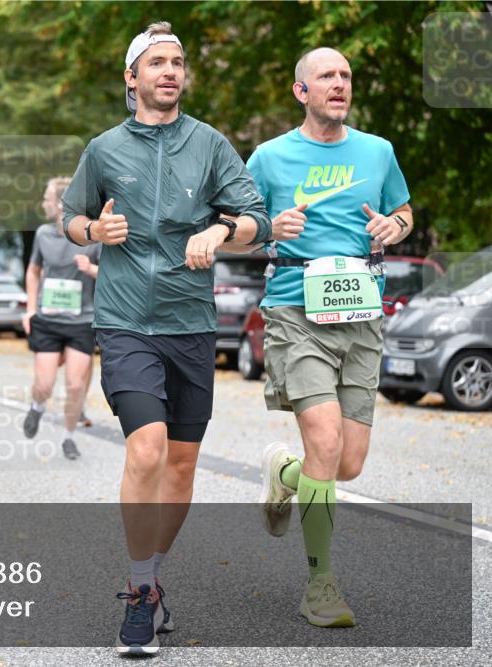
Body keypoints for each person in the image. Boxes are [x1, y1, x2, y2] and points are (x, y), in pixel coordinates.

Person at [62, 22, 273, 654]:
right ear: (132, 77)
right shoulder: (104, 149)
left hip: (190, 325)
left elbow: (257, 221)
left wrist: (222, 233)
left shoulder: (209, 145)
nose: (170, 72)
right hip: (126, 322)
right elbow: (71, 217)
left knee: (181, 466)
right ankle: (137, 593)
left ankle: (152, 578)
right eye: (157, 62)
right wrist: (93, 233)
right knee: (148, 449)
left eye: (178, 62)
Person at [248, 47, 413, 629]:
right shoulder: (268, 158)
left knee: (346, 465)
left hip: (362, 311)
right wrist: (269, 227)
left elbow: (404, 212)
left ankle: (285, 475)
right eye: (327, 76)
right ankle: (320, 584)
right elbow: (234, 227)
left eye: (345, 75)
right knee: (324, 443)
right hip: (296, 308)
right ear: (302, 91)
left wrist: (394, 225)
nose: (339, 83)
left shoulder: (378, 151)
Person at [21, 176, 101, 460]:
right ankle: (37, 407)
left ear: (61, 204)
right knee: (43, 384)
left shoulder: (93, 236)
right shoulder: (43, 234)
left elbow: (114, 276)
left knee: (75, 384)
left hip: (82, 320)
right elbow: (33, 272)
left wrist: (91, 269)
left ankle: (68, 437)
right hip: (48, 319)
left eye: (47, 198)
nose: (43, 203)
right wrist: (30, 308)